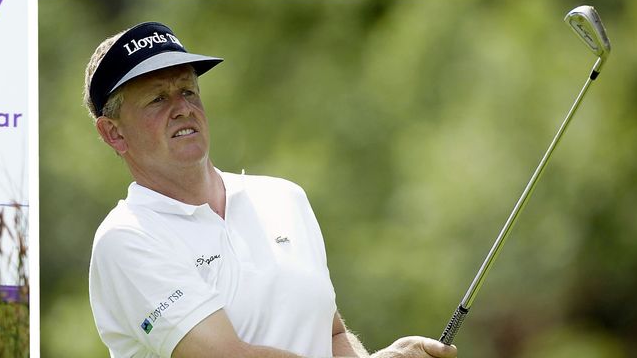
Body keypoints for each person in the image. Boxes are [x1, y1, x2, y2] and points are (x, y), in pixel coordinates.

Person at [84, 22, 455, 358]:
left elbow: (331, 334)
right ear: (113, 133)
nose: (183, 109)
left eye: (188, 91)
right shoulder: (126, 238)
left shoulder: (284, 199)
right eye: (158, 99)